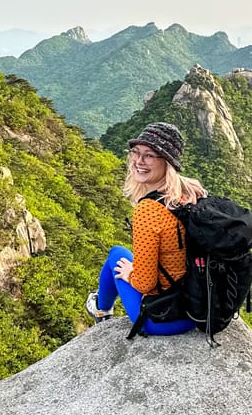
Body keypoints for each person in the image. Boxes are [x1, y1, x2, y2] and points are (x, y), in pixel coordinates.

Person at [86, 122, 207, 334]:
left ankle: (101, 309)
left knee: (117, 255)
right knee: (123, 256)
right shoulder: (191, 192)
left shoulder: (148, 211)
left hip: (164, 318)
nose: (138, 161)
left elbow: (144, 283)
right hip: (200, 308)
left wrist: (130, 273)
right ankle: (100, 306)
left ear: (167, 162)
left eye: (149, 155)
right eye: (136, 152)